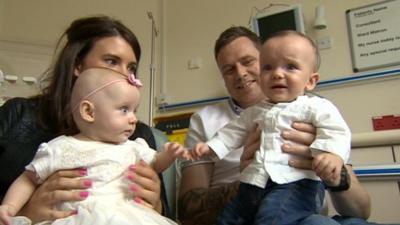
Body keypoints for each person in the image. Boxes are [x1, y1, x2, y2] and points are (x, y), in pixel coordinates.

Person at [178, 26, 372, 225]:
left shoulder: (314, 110)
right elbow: (186, 212)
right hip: (248, 197)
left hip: (304, 202)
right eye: (228, 69)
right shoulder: (205, 119)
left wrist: (332, 170)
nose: (240, 73)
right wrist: (245, 177)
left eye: (248, 61)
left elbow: (360, 211)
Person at [0, 16, 169, 223]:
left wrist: (155, 203)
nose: (126, 76)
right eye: (111, 61)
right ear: (77, 65)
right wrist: (25, 212)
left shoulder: (137, 135)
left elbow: (163, 211)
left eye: (131, 68)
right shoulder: (18, 115)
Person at [0, 68, 189, 225]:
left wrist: (168, 155)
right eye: (124, 110)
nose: (133, 119)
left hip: (127, 217)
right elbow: (28, 179)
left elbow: (155, 163)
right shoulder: (60, 148)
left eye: (134, 110)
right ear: (89, 111)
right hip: (74, 218)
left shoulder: (133, 147)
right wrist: (9, 207)